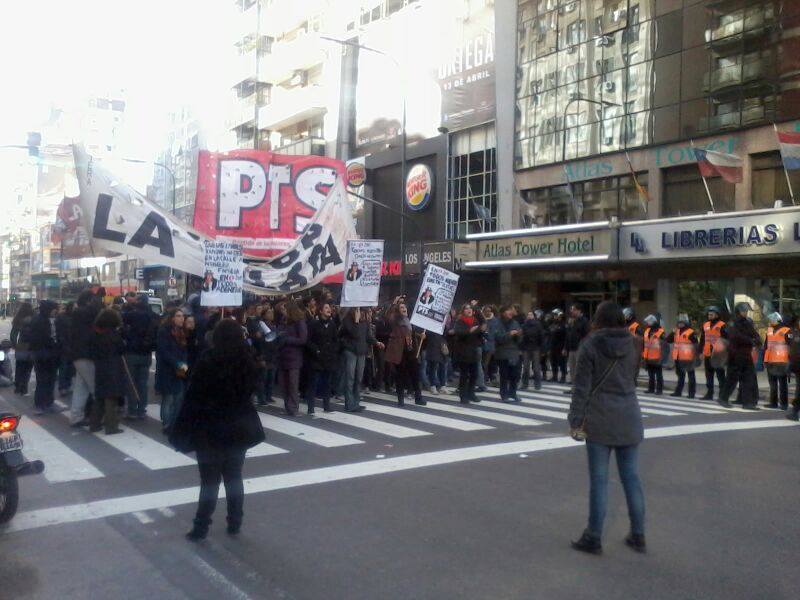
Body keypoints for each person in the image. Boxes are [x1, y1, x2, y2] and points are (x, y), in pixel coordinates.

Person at [170, 318, 265, 541]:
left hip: (210, 429)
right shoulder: (247, 362)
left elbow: (193, 398)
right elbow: (253, 390)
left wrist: (181, 428)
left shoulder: (208, 361)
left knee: (209, 481)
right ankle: (235, 521)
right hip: (238, 428)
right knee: (234, 477)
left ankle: (201, 526)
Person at [568, 301, 645, 555]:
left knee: (599, 481)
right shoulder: (634, 342)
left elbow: (581, 387)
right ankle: (638, 533)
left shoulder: (590, 344)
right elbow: (632, 377)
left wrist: (575, 419)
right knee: (631, 479)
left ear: (598, 318)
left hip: (600, 416)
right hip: (629, 414)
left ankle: (593, 536)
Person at [717, 303, 761, 410]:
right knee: (732, 378)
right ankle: (723, 398)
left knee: (748, 378)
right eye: (744, 311)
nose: (745, 313)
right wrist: (750, 340)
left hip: (746, 354)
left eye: (746, 311)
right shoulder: (733, 323)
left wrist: (757, 339)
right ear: (738, 311)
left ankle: (748, 403)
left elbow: (754, 333)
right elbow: (735, 336)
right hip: (736, 354)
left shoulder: (747, 322)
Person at [68, 291, 102, 426]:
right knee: (95, 388)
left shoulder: (77, 313)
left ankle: (76, 417)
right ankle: (98, 418)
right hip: (87, 354)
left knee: (80, 388)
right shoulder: (87, 313)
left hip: (77, 354)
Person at [89, 309, 125, 435]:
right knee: (111, 397)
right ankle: (111, 426)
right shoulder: (114, 335)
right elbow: (121, 348)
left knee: (100, 396)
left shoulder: (97, 333)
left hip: (100, 366)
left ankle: (94, 423)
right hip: (112, 366)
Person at [339, 307, 382, 412]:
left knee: (358, 378)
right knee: (350, 378)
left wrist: (376, 342)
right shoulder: (347, 320)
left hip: (361, 352)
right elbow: (355, 334)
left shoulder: (366, 322)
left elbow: (368, 336)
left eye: (363, 312)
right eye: (359, 311)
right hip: (351, 351)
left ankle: (356, 402)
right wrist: (356, 321)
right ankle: (349, 404)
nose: (362, 314)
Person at [122, 295, 157, 420]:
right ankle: (141, 409)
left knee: (131, 383)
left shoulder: (130, 315)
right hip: (146, 353)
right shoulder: (153, 316)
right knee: (143, 383)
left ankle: (132, 410)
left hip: (131, 352)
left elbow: (121, 328)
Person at [385, 301, 426, 407]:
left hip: (411, 351)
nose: (404, 308)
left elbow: (410, 334)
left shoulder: (409, 321)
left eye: (405, 307)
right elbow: (389, 315)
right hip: (400, 352)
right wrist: (394, 303)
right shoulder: (395, 321)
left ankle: (418, 397)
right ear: (398, 310)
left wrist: (419, 335)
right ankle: (400, 399)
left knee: (415, 375)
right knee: (400, 376)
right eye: (402, 307)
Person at [156, 308, 189, 432]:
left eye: (182, 316)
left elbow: (184, 349)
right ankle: (167, 424)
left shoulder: (182, 332)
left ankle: (174, 423)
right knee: (168, 398)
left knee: (179, 397)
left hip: (180, 368)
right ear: (172, 318)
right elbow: (164, 352)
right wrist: (177, 363)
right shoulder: (164, 331)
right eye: (179, 316)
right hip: (167, 369)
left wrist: (184, 364)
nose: (182, 318)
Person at [304, 302, 339, 414]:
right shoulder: (313, 323)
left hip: (328, 358)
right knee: (313, 383)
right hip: (316, 358)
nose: (329, 309)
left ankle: (326, 405)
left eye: (329, 307)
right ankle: (311, 407)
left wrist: (334, 351)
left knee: (327, 383)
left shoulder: (332, 324)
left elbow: (335, 340)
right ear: (320, 311)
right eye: (326, 307)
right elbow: (308, 340)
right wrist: (316, 350)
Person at [29, 300, 62, 415]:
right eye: (54, 309)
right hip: (44, 355)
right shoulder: (41, 321)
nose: (55, 312)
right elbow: (45, 339)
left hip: (44, 354)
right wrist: (54, 345)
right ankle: (42, 404)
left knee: (48, 380)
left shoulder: (42, 319)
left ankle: (46, 403)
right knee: (44, 380)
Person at [276, 300, 308, 416]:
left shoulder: (299, 321)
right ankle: (287, 407)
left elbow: (303, 339)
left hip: (294, 357)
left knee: (293, 384)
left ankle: (293, 408)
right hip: (282, 356)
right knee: (283, 384)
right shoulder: (283, 321)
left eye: (284, 309)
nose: (282, 311)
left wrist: (287, 339)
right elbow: (279, 333)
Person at [451, 304, 485, 403]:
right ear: (463, 311)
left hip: (474, 350)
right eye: (466, 308)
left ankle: (471, 393)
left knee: (474, 374)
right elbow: (458, 333)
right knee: (464, 375)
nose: (469, 310)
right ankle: (463, 395)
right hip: (463, 351)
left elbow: (482, 325)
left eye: (470, 308)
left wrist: (480, 332)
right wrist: (469, 331)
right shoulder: (460, 321)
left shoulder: (475, 320)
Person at [763, 312, 791, 410]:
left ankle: (784, 404)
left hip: (782, 362)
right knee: (773, 383)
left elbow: (791, 347)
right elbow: (766, 346)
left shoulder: (786, 331)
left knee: (782, 384)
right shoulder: (769, 330)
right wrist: (765, 360)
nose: (770, 322)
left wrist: (790, 362)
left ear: (777, 320)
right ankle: (773, 402)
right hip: (770, 360)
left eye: (771, 320)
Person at [666, 314, 698, 398]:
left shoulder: (691, 332)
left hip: (688, 358)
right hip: (678, 357)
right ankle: (678, 392)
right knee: (680, 376)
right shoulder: (676, 331)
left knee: (691, 376)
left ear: (686, 323)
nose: (680, 324)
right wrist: (672, 332)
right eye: (679, 323)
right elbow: (668, 340)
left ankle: (691, 393)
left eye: (682, 323)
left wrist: (696, 357)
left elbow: (696, 345)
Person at [495, 304, 522, 402]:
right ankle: (504, 394)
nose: (510, 312)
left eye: (511, 310)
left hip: (514, 352)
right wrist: (509, 334)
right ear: (503, 313)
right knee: (504, 375)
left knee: (515, 375)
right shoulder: (497, 323)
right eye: (508, 310)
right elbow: (498, 338)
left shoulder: (515, 323)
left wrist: (519, 335)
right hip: (502, 352)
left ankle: (513, 393)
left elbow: (520, 339)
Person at [699, 306, 727, 400]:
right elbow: (702, 339)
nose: (709, 315)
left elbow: (727, 339)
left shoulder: (722, 325)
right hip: (707, 354)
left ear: (717, 314)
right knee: (709, 375)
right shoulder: (705, 325)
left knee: (720, 376)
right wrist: (700, 351)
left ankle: (722, 395)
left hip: (718, 354)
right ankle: (709, 393)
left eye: (712, 314)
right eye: (709, 314)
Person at [10, 302, 35, 396]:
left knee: (19, 367)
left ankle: (17, 386)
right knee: (28, 368)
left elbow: (13, 335)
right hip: (31, 347)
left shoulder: (17, 319)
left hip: (20, 346)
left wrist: (14, 345)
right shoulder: (34, 319)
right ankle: (24, 388)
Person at [565, 303, 590, 384]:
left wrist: (583, 347)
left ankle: (580, 386)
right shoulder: (572, 321)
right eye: (571, 309)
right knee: (572, 368)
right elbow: (568, 334)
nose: (572, 311)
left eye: (574, 309)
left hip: (579, 347)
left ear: (579, 311)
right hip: (571, 348)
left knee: (579, 369)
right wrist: (565, 347)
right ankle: (574, 386)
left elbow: (586, 335)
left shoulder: (584, 321)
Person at [520, 310, 544, 391]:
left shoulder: (538, 325)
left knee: (536, 367)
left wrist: (541, 347)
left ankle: (537, 384)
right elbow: (522, 336)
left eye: (531, 315)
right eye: (528, 315)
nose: (529, 316)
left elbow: (541, 336)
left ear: (534, 316)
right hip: (527, 347)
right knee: (526, 367)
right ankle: (525, 383)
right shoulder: (524, 325)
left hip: (535, 347)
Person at [641, 314, 664, 395]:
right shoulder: (647, 331)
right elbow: (644, 344)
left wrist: (662, 356)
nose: (647, 323)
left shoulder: (660, 331)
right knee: (650, 374)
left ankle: (659, 390)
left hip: (657, 356)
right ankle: (651, 389)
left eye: (648, 322)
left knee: (658, 375)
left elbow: (663, 344)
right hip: (648, 356)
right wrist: (643, 355)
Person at [56, 302, 74, 397]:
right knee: (65, 367)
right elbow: (60, 333)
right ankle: (64, 386)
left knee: (67, 367)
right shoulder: (64, 318)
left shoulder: (64, 317)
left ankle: (65, 385)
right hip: (65, 346)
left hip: (68, 345)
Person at [422, 329, 447, 395]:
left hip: (440, 346)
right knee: (433, 367)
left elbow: (445, 333)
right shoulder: (429, 326)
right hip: (432, 347)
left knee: (442, 367)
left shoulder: (442, 325)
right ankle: (433, 386)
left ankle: (442, 386)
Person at [623, 307, 644, 386]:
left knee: (634, 366)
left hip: (634, 349)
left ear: (630, 316)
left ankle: (633, 381)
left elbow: (641, 338)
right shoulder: (624, 325)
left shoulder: (636, 326)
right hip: (625, 348)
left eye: (626, 315)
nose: (624, 317)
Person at [787, 316, 800, 421]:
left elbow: (795, 353)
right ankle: (795, 411)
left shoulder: (796, 334)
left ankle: (795, 412)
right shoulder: (795, 333)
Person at [549, 309, 567, 383]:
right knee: (553, 361)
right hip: (553, 346)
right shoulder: (553, 324)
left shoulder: (564, 325)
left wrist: (565, 347)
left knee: (562, 362)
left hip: (560, 346)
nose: (554, 317)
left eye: (555, 315)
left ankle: (563, 377)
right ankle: (554, 376)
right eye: (554, 315)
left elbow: (566, 337)